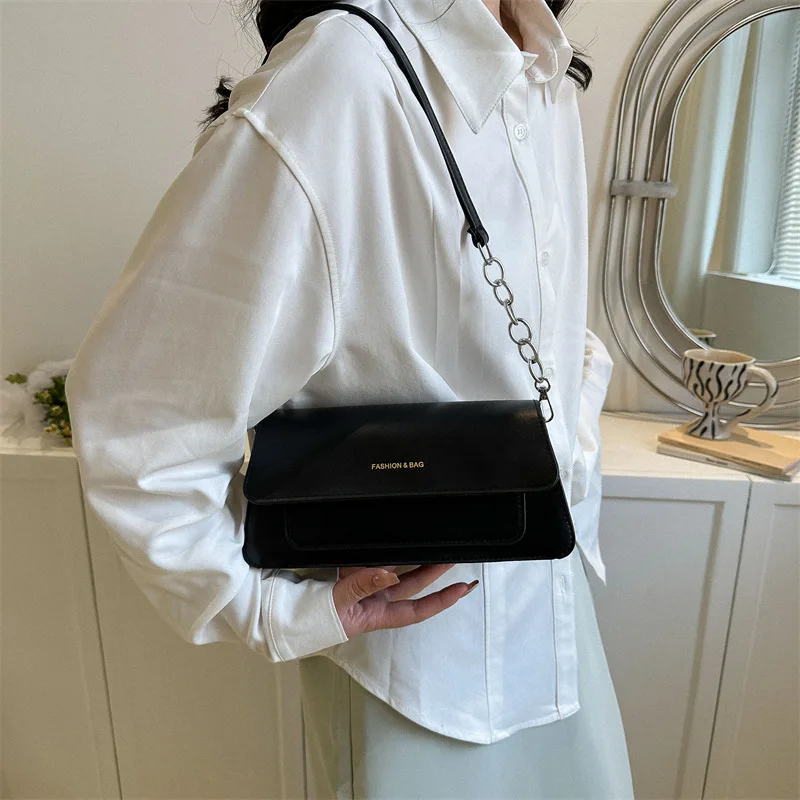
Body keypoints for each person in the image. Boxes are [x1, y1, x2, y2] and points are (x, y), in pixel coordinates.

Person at [65, 0, 635, 797]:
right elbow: (140, 418)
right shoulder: (339, 79)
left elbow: (556, 334)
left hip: (558, 624)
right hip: (420, 679)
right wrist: (272, 612)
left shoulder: (541, 70)